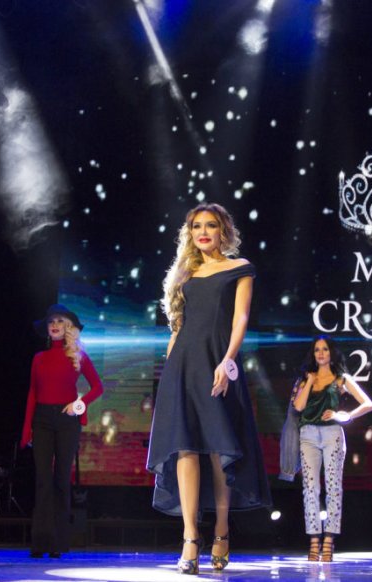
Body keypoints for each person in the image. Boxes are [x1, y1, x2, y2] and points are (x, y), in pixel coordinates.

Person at [147, 203, 271, 575]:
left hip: (217, 361)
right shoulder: (185, 272)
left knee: (219, 450)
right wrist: (168, 373)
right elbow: (177, 328)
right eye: (197, 226)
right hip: (182, 366)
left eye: (211, 225)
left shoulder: (240, 268)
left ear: (223, 231)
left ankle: (221, 528)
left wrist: (227, 361)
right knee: (183, 447)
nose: (203, 231)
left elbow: (241, 319)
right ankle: (190, 537)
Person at [21, 304, 103, 558]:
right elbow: (33, 394)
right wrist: (26, 430)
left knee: (60, 480)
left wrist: (78, 405)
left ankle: (57, 542)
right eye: (51, 322)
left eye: (59, 321)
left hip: (67, 421)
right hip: (42, 420)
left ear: (68, 327)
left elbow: (97, 387)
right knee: (42, 480)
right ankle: (40, 541)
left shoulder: (78, 356)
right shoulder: (38, 358)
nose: (54, 325)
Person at [291, 336, 372, 562]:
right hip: (308, 435)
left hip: (332, 435)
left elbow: (368, 403)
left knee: (333, 487)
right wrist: (309, 381)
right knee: (310, 488)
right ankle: (313, 540)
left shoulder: (341, 379)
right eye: (317, 350)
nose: (321, 353)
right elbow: (298, 406)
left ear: (332, 352)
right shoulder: (305, 378)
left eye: (325, 349)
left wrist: (344, 415)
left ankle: (329, 539)